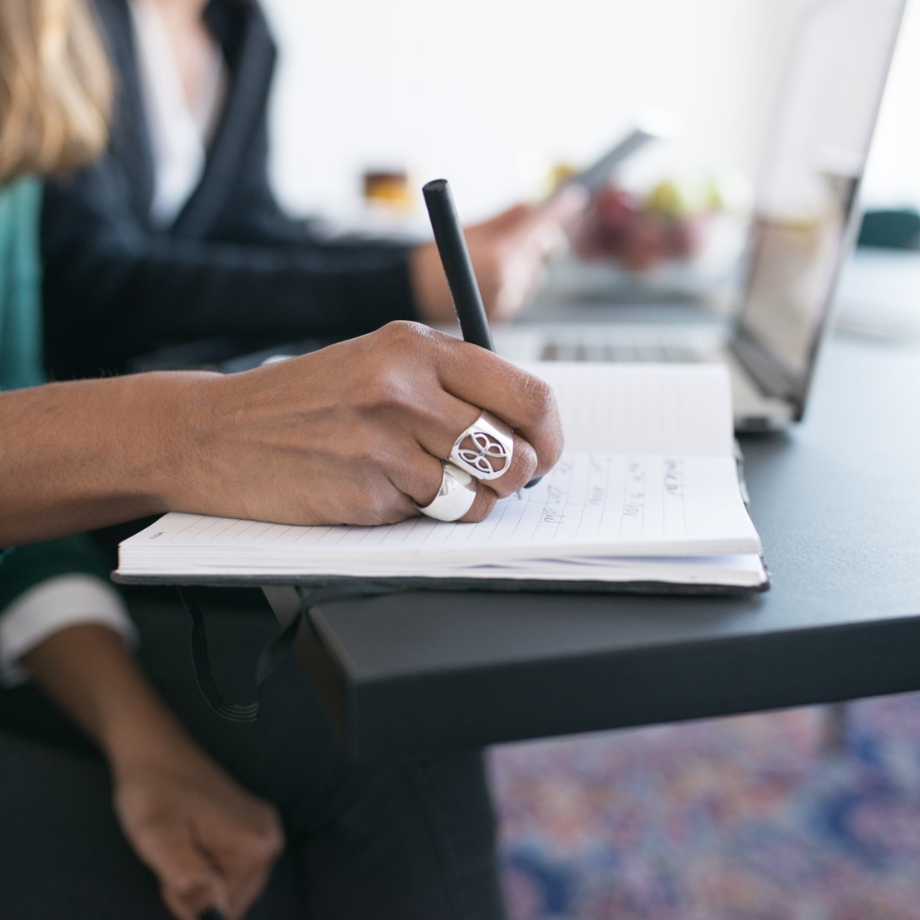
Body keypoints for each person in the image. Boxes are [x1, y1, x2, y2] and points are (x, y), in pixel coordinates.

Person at [0, 1, 565, 917]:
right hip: (86, 519)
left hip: (42, 586)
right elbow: (104, 287)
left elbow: (21, 509)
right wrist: (193, 433)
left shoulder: (34, 51)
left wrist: (137, 734)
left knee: (390, 738)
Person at [41, 0, 580, 380]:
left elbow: (250, 233)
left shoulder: (243, 32)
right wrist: (406, 286)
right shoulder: (66, 24)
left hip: (191, 374)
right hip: (99, 406)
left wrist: (433, 258)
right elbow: (95, 285)